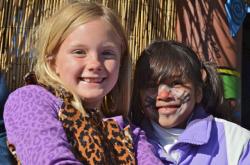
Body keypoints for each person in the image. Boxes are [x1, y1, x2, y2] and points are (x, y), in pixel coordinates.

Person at [3, 1, 159, 164]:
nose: (95, 64)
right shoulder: (30, 101)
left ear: (121, 62)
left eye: (107, 53)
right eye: (79, 52)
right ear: (52, 61)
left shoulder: (130, 132)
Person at [129, 40, 250, 164]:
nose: (164, 95)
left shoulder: (237, 142)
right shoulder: (127, 142)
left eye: (176, 83)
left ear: (198, 92)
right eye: (151, 86)